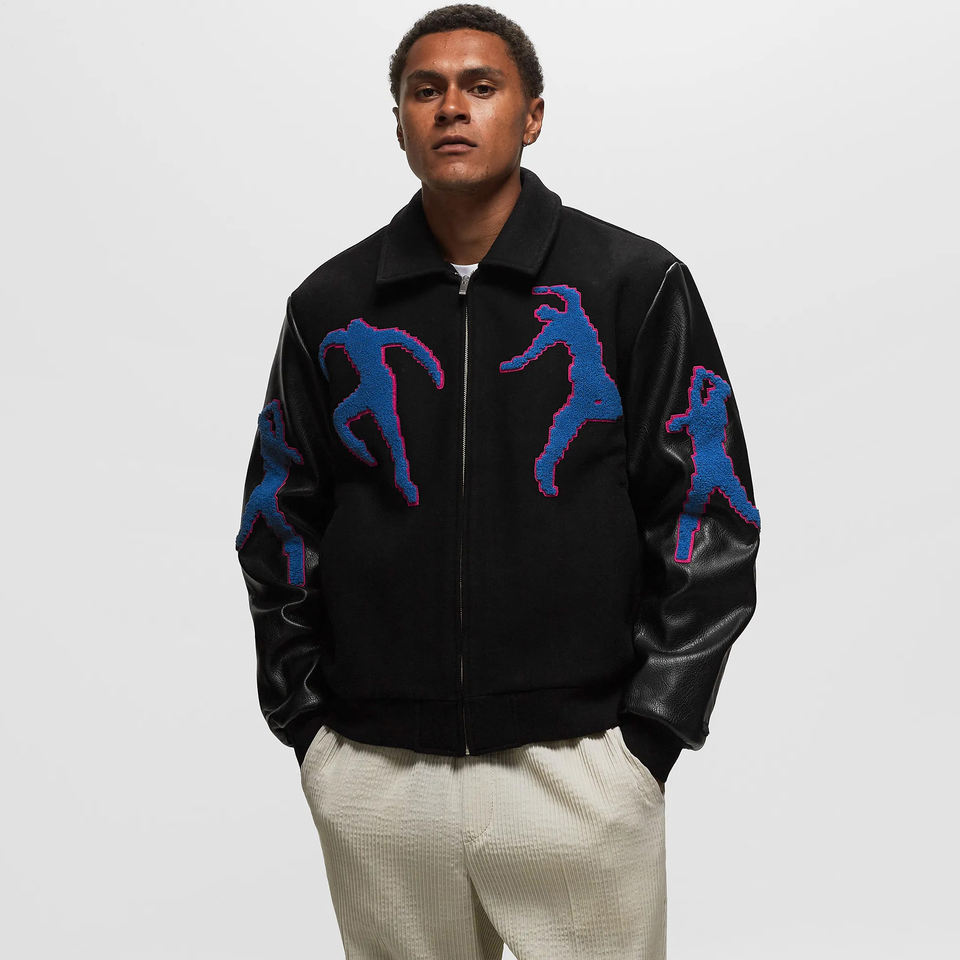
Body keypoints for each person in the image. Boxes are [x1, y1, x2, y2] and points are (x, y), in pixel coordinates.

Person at [235, 4, 760, 958]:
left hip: (579, 769)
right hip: (379, 774)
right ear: (399, 122)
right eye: (425, 90)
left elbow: (706, 506)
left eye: (481, 86)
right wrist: (310, 728)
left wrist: (651, 736)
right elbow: (279, 520)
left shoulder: (632, 284)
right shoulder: (330, 305)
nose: (451, 108)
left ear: (532, 116)